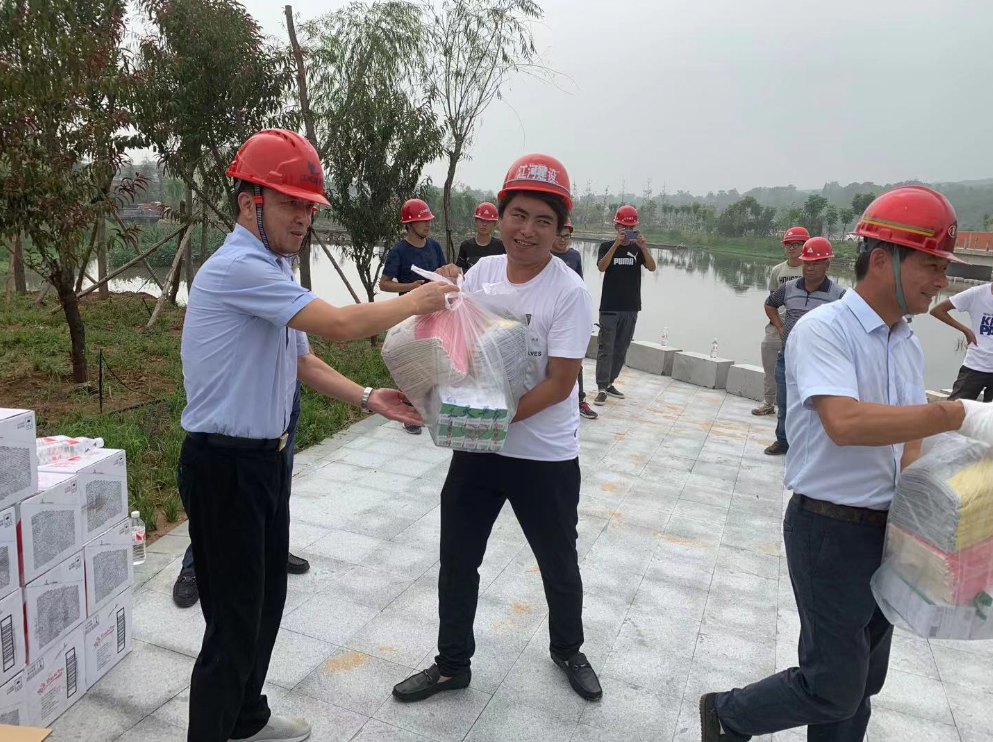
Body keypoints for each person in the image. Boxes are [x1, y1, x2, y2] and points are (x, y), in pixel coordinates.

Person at [178, 129, 456, 742]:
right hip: (224, 467)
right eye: (290, 203)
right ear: (249, 201)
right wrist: (419, 301)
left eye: (309, 206)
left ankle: (246, 719)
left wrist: (368, 397)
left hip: (265, 463)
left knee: (266, 604)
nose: (304, 218)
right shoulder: (237, 269)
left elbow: (301, 359)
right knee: (232, 627)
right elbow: (338, 324)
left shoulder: (273, 268)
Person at [700, 185, 993, 742]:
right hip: (829, 530)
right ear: (882, 261)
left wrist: (933, 514)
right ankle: (728, 715)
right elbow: (846, 423)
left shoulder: (905, 342)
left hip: (888, 530)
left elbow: (908, 440)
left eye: (944, 268)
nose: (941, 281)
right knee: (833, 685)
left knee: (863, 684)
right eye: (932, 265)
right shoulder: (824, 329)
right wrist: (958, 414)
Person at [392, 153, 603, 704]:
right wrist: (443, 285)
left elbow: (561, 384)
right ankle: (451, 664)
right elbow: (455, 345)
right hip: (479, 451)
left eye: (543, 221)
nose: (526, 230)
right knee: (458, 560)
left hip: (543, 455)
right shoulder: (481, 274)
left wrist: (488, 421)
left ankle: (568, 648)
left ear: (560, 231)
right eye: (518, 215)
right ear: (501, 216)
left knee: (558, 562)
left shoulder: (569, 293)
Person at [173, 381, 308, 609]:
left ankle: (272, 549)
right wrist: (365, 396)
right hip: (244, 387)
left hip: (287, 389)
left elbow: (303, 359)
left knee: (281, 476)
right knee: (216, 495)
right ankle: (195, 564)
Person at [763, 237, 845, 456]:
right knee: (784, 403)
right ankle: (782, 441)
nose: (810, 268)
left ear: (827, 264)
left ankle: (809, 447)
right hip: (788, 357)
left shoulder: (838, 295)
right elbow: (770, 304)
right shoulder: (789, 288)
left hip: (818, 362)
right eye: (807, 263)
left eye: (816, 263)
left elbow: (848, 324)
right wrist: (780, 327)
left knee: (814, 408)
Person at [380, 199, 454, 434]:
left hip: (434, 313)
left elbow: (443, 273)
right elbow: (384, 284)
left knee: (434, 361)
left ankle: (434, 409)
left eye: (428, 220)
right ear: (409, 224)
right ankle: (410, 414)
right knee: (410, 364)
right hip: (409, 315)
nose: (427, 225)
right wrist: (411, 286)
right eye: (422, 221)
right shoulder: (398, 251)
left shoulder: (434, 247)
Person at [593, 204, 657, 406]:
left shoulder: (637, 249)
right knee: (606, 348)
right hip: (609, 307)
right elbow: (602, 267)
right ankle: (601, 388)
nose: (627, 231)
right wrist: (616, 244)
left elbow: (652, 267)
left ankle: (610, 382)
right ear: (616, 227)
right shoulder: (606, 247)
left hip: (630, 307)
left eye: (631, 228)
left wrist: (644, 247)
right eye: (623, 227)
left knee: (621, 349)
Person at [752, 226, 808, 416]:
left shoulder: (810, 270)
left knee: (799, 369)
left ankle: (797, 407)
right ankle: (768, 401)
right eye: (788, 244)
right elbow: (772, 302)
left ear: (805, 245)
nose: (792, 248)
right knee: (770, 361)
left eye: (796, 244)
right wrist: (779, 326)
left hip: (802, 327)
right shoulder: (777, 270)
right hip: (778, 325)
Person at [552, 218, 597, 420]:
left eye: (566, 236)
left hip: (569, 315)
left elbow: (580, 284)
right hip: (548, 313)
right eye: (559, 236)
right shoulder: (544, 256)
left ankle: (580, 400)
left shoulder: (574, 256)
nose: (563, 240)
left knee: (574, 360)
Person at [930, 281, 993, 402]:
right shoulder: (976, 294)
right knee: (955, 409)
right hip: (975, 365)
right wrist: (965, 330)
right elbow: (937, 311)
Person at [455, 202, 505, 271]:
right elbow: (460, 271)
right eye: (481, 220)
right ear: (475, 221)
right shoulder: (466, 246)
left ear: (494, 224)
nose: (484, 224)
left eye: (488, 221)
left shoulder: (501, 247)